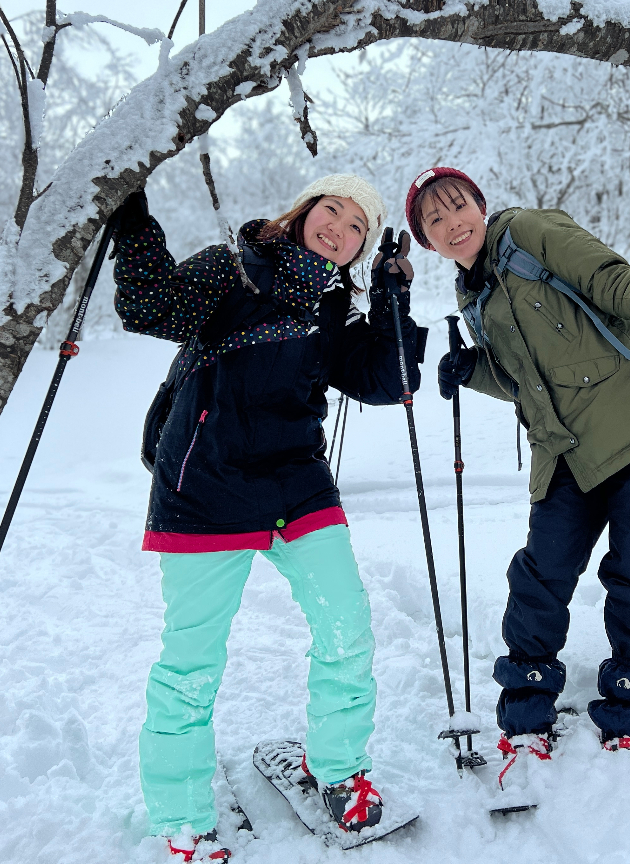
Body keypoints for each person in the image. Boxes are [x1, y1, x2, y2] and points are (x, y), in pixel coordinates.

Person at [110, 174, 426, 861]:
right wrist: (133, 222)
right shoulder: (230, 268)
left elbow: (390, 379)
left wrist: (393, 296)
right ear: (305, 210)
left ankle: (339, 772)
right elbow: (147, 306)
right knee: (191, 663)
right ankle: (181, 816)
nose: (339, 229)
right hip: (205, 484)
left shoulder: (333, 306)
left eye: (357, 227)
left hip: (296, 484)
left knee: (347, 627)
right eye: (332, 210)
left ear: (359, 249)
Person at [404, 166, 630, 786]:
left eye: (458, 205)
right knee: (541, 572)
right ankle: (526, 713)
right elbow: (528, 381)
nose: (452, 223)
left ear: (480, 205)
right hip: (565, 446)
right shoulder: (472, 295)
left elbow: (608, 278)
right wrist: (473, 372)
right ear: (428, 241)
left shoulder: (530, 231)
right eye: (434, 220)